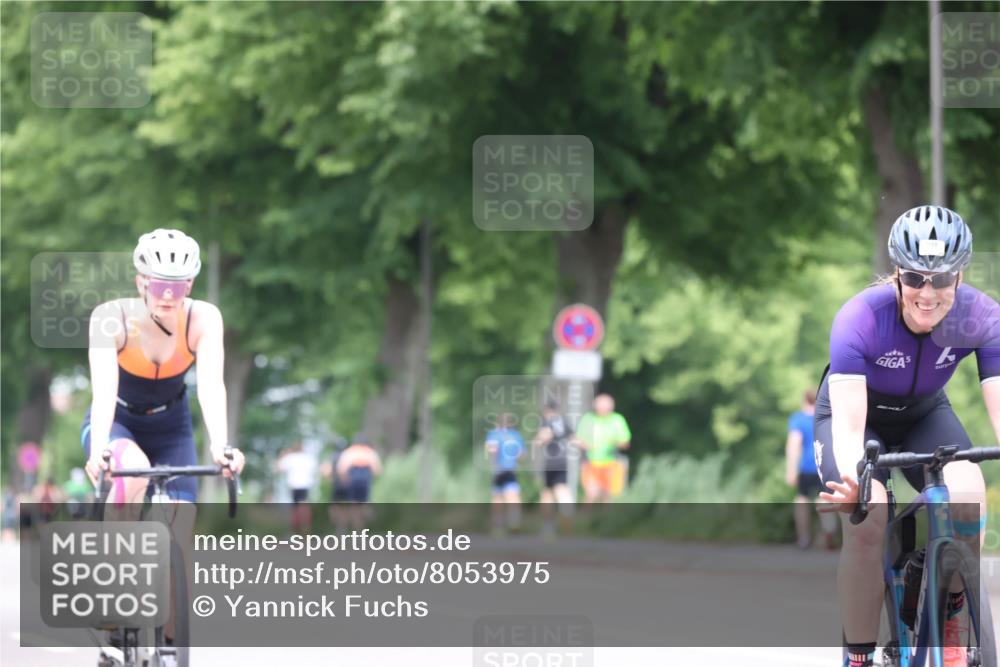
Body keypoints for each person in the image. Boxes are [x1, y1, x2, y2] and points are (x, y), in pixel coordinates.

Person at [815, 206, 1000, 667]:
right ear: (897, 272)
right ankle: (860, 654)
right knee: (868, 518)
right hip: (856, 420)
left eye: (941, 279)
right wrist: (857, 483)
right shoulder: (860, 318)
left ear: (960, 276)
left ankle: (954, 614)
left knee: (968, 495)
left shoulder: (981, 316)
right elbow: (851, 423)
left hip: (925, 414)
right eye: (915, 277)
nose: (928, 292)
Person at [82, 228, 245, 503]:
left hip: (171, 426)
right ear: (140, 283)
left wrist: (221, 446)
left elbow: (211, 387)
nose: (168, 296)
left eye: (178, 287)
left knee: (179, 524)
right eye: (159, 286)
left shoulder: (203, 319)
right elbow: (104, 393)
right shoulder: (111, 319)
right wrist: (99, 449)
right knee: (135, 472)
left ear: (190, 286)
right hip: (118, 422)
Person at [785, 389, 838, 550]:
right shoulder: (827, 417)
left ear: (804, 400)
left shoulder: (798, 419)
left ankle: (804, 538)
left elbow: (794, 445)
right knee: (825, 500)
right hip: (826, 465)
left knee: (802, 500)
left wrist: (791, 470)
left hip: (806, 467)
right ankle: (828, 532)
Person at [575, 394, 631, 504]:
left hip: (611, 463)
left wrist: (615, 443)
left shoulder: (617, 420)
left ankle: (605, 520)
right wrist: (586, 445)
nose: (603, 409)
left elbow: (626, 443)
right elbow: (579, 440)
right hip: (591, 462)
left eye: (606, 407)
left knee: (608, 495)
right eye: (600, 407)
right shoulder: (589, 419)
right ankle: (585, 519)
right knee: (591, 493)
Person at [533, 399, 574, 536]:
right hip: (563, 461)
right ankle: (567, 514)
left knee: (547, 494)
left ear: (547, 410)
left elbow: (544, 436)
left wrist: (537, 441)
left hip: (551, 462)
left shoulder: (547, 421)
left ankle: (549, 526)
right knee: (562, 489)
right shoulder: (564, 421)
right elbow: (574, 438)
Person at [485, 413, 524, 533]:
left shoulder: (494, 434)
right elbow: (521, 455)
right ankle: (514, 522)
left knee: (497, 497)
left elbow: (491, 449)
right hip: (511, 469)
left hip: (499, 469)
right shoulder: (516, 435)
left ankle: (498, 526)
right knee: (513, 496)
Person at [336, 434, 383, 529]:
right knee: (364, 503)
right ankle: (368, 515)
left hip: (353, 479)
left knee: (354, 505)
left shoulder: (349, 452)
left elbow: (341, 469)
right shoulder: (370, 452)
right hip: (365, 479)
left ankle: (357, 528)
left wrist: (345, 480)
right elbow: (377, 470)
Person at [275, 442, 318, 533]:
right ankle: (305, 529)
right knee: (304, 507)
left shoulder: (290, 458)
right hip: (306, 485)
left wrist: (282, 455)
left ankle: (294, 530)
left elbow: (278, 468)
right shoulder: (308, 458)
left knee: (295, 509)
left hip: (294, 486)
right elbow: (315, 469)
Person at [320, 436, 351, 532]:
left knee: (335, 506)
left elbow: (324, 470)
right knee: (346, 507)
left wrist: (330, 478)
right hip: (347, 485)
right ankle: (344, 527)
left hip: (336, 485)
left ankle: (338, 526)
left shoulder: (332, 456)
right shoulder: (348, 456)